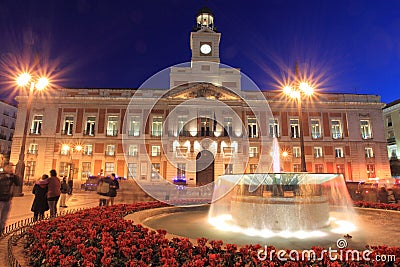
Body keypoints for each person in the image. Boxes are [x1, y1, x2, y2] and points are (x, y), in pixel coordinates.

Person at [0, 164, 21, 233]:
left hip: (7, 199)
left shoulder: (12, 177)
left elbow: (18, 183)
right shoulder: (2, 176)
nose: (11, 169)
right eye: (10, 168)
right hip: (1, 199)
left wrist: (14, 175)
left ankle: (1, 231)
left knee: (4, 218)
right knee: (1, 217)